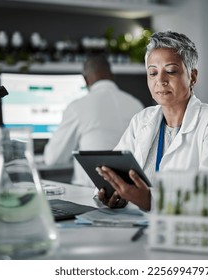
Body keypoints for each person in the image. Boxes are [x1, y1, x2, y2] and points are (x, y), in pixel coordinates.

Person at [96, 30, 208, 211]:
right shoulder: (142, 120)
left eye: (170, 71)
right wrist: (112, 193)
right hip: (137, 226)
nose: (160, 80)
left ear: (192, 77)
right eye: (153, 73)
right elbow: (114, 172)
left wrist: (151, 201)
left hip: (186, 233)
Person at [43, 54, 144, 186]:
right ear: (112, 76)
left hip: (90, 194)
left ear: (85, 80)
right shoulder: (136, 105)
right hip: (131, 192)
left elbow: (52, 158)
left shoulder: (77, 107)